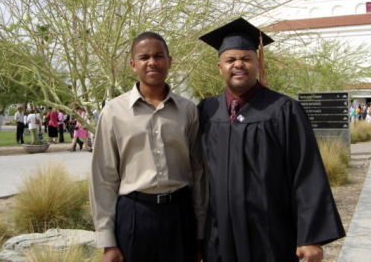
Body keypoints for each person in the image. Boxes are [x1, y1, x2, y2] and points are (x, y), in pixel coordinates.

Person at [197, 17, 345, 262]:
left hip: (270, 234)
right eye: (231, 59)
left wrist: (310, 237)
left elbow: (306, 173)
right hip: (219, 234)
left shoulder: (283, 110)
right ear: (219, 67)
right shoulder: (206, 111)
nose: (239, 65)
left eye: (246, 58)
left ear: (258, 63)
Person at [89, 32, 206, 262]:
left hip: (179, 216)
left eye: (159, 56)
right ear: (133, 65)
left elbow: (198, 172)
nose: (152, 62)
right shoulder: (114, 112)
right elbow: (103, 177)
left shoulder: (188, 110)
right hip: (134, 216)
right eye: (144, 57)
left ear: (169, 61)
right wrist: (107, 241)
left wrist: (200, 230)